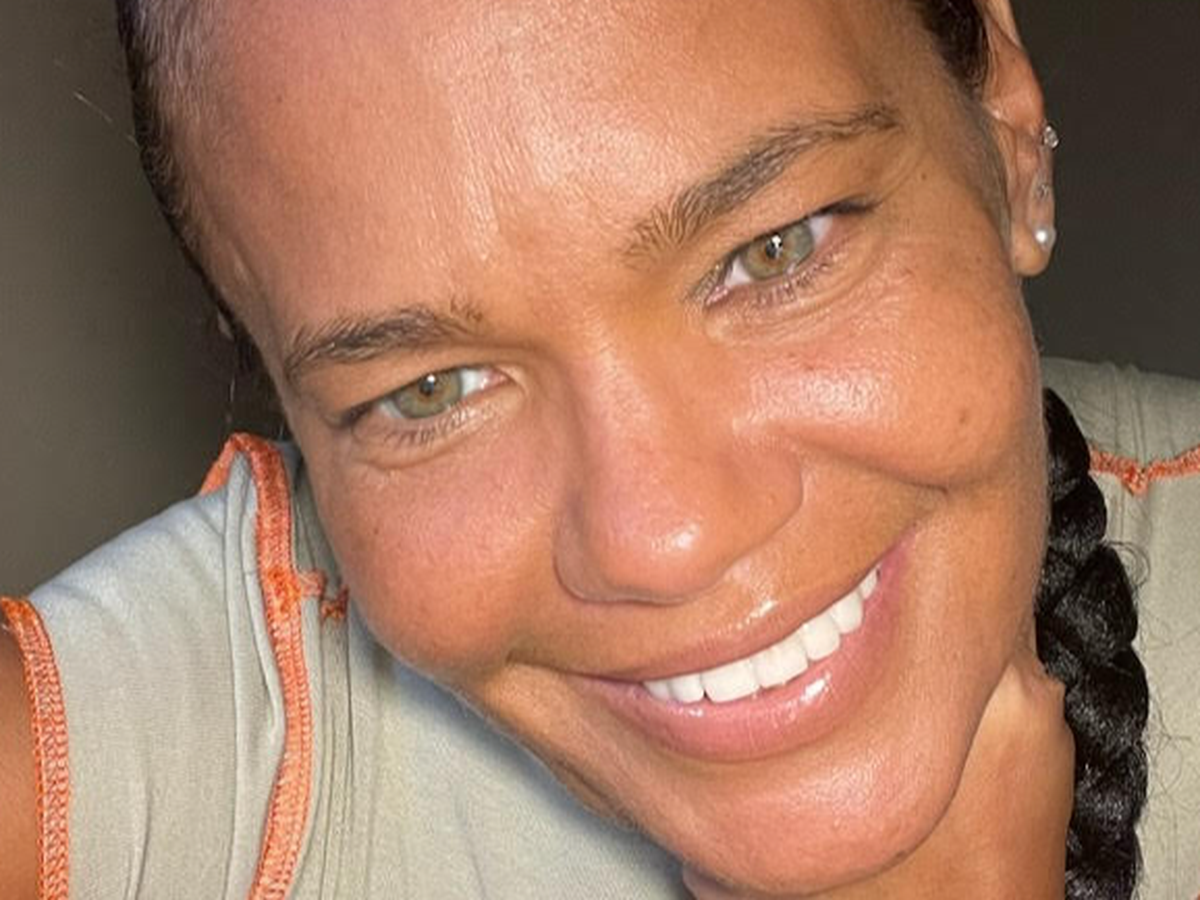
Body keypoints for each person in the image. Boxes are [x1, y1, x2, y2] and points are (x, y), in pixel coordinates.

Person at [1, 0, 1197, 896]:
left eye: (774, 250)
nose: (663, 540)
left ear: (1004, 123)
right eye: (431, 389)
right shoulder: (174, 760)